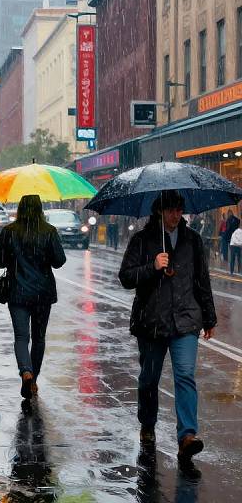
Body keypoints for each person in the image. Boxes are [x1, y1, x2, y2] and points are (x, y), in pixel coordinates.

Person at [118, 190, 217, 471]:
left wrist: (209, 317)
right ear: (159, 211)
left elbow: (202, 281)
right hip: (152, 322)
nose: (176, 215)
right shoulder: (142, 239)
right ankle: (147, 424)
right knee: (149, 378)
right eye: (171, 210)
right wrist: (152, 266)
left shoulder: (193, 241)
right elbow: (126, 277)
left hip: (186, 320)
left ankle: (187, 435)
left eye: (179, 210)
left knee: (185, 375)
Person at [0, 195, 66, 400]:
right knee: (39, 338)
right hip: (43, 293)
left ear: (20, 209)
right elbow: (59, 261)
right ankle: (33, 379)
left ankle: (25, 371)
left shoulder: (9, 232)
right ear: (41, 209)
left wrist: (11, 258)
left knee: (21, 337)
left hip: (18, 293)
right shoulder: (49, 232)